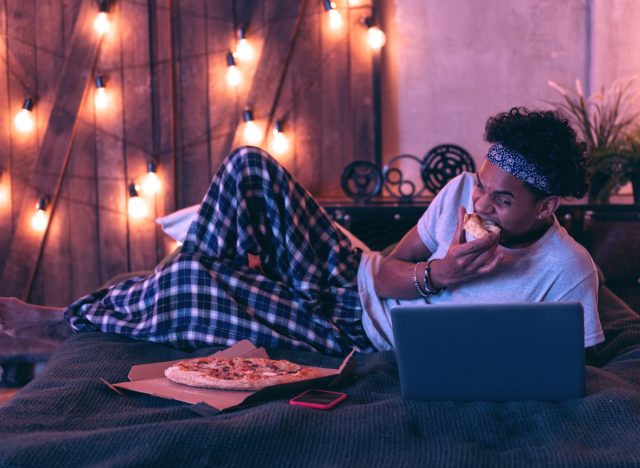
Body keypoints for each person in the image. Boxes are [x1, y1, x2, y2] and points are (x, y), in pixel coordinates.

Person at [0, 107, 604, 357]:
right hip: (353, 283)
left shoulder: (569, 271)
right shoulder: (455, 197)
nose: (482, 204)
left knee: (191, 276)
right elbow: (384, 267)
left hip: (359, 343)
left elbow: (572, 364)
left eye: (502, 199)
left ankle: (62, 322)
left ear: (547, 205)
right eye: (481, 186)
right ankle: (230, 270)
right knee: (248, 165)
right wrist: (433, 275)